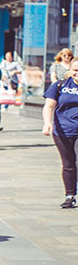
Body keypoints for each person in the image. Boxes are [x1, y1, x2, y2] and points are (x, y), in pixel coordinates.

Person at [42, 59, 78, 208]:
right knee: (68, 164)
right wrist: (47, 123)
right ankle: (70, 195)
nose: (77, 73)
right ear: (70, 70)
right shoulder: (60, 86)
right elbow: (49, 107)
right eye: (75, 70)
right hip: (62, 130)